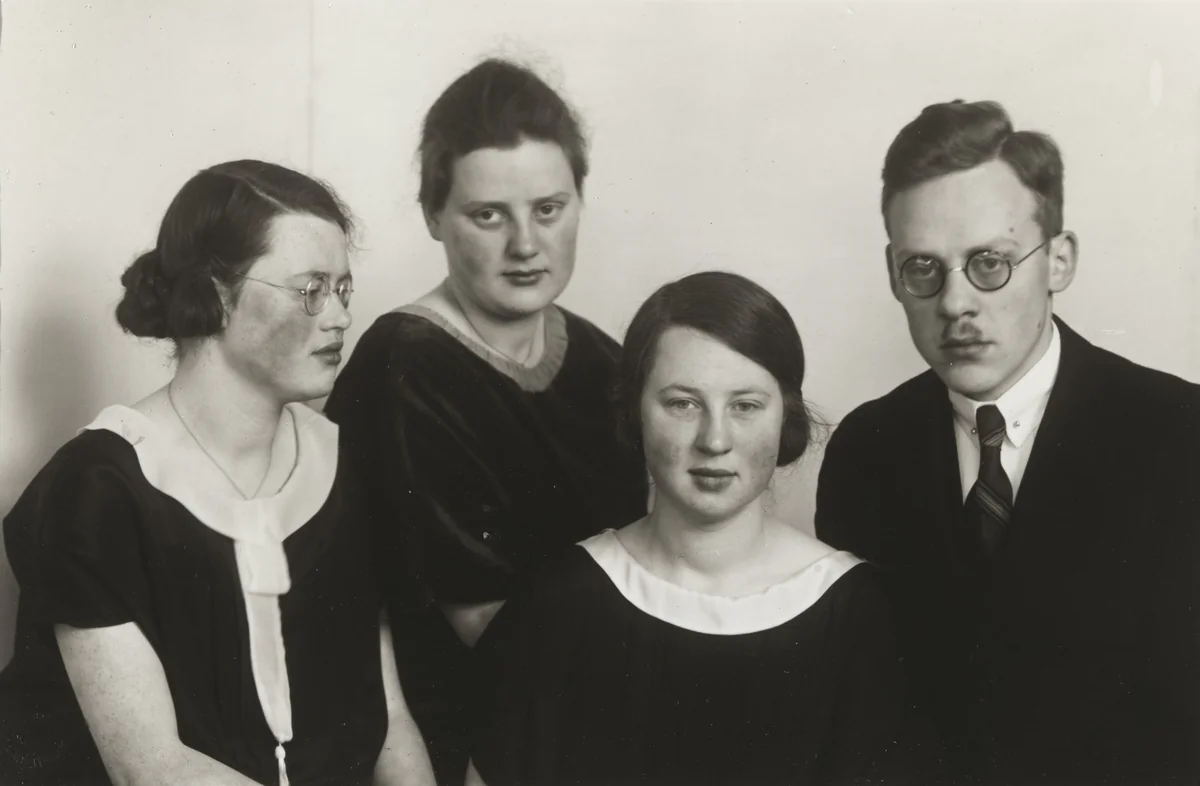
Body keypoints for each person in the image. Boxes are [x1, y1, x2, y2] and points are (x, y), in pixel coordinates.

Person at [0, 160, 434, 785]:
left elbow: (388, 720)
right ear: (216, 294)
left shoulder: (347, 465)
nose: (338, 317)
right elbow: (150, 770)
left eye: (342, 290)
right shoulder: (98, 487)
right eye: (311, 289)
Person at [816, 100, 1200, 784]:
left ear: (1058, 260)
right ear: (893, 274)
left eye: (989, 263)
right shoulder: (866, 452)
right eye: (923, 269)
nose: (956, 304)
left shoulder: (1180, 437)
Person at [466, 271, 937, 786]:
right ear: (635, 414)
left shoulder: (860, 613)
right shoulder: (557, 602)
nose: (715, 440)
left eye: (745, 406)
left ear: (786, 419)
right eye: (683, 403)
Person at [324, 59, 648, 783]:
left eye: (549, 208)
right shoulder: (404, 366)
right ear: (434, 215)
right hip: (456, 739)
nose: (526, 245)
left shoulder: (603, 359)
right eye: (488, 215)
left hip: (594, 699)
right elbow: (491, 631)